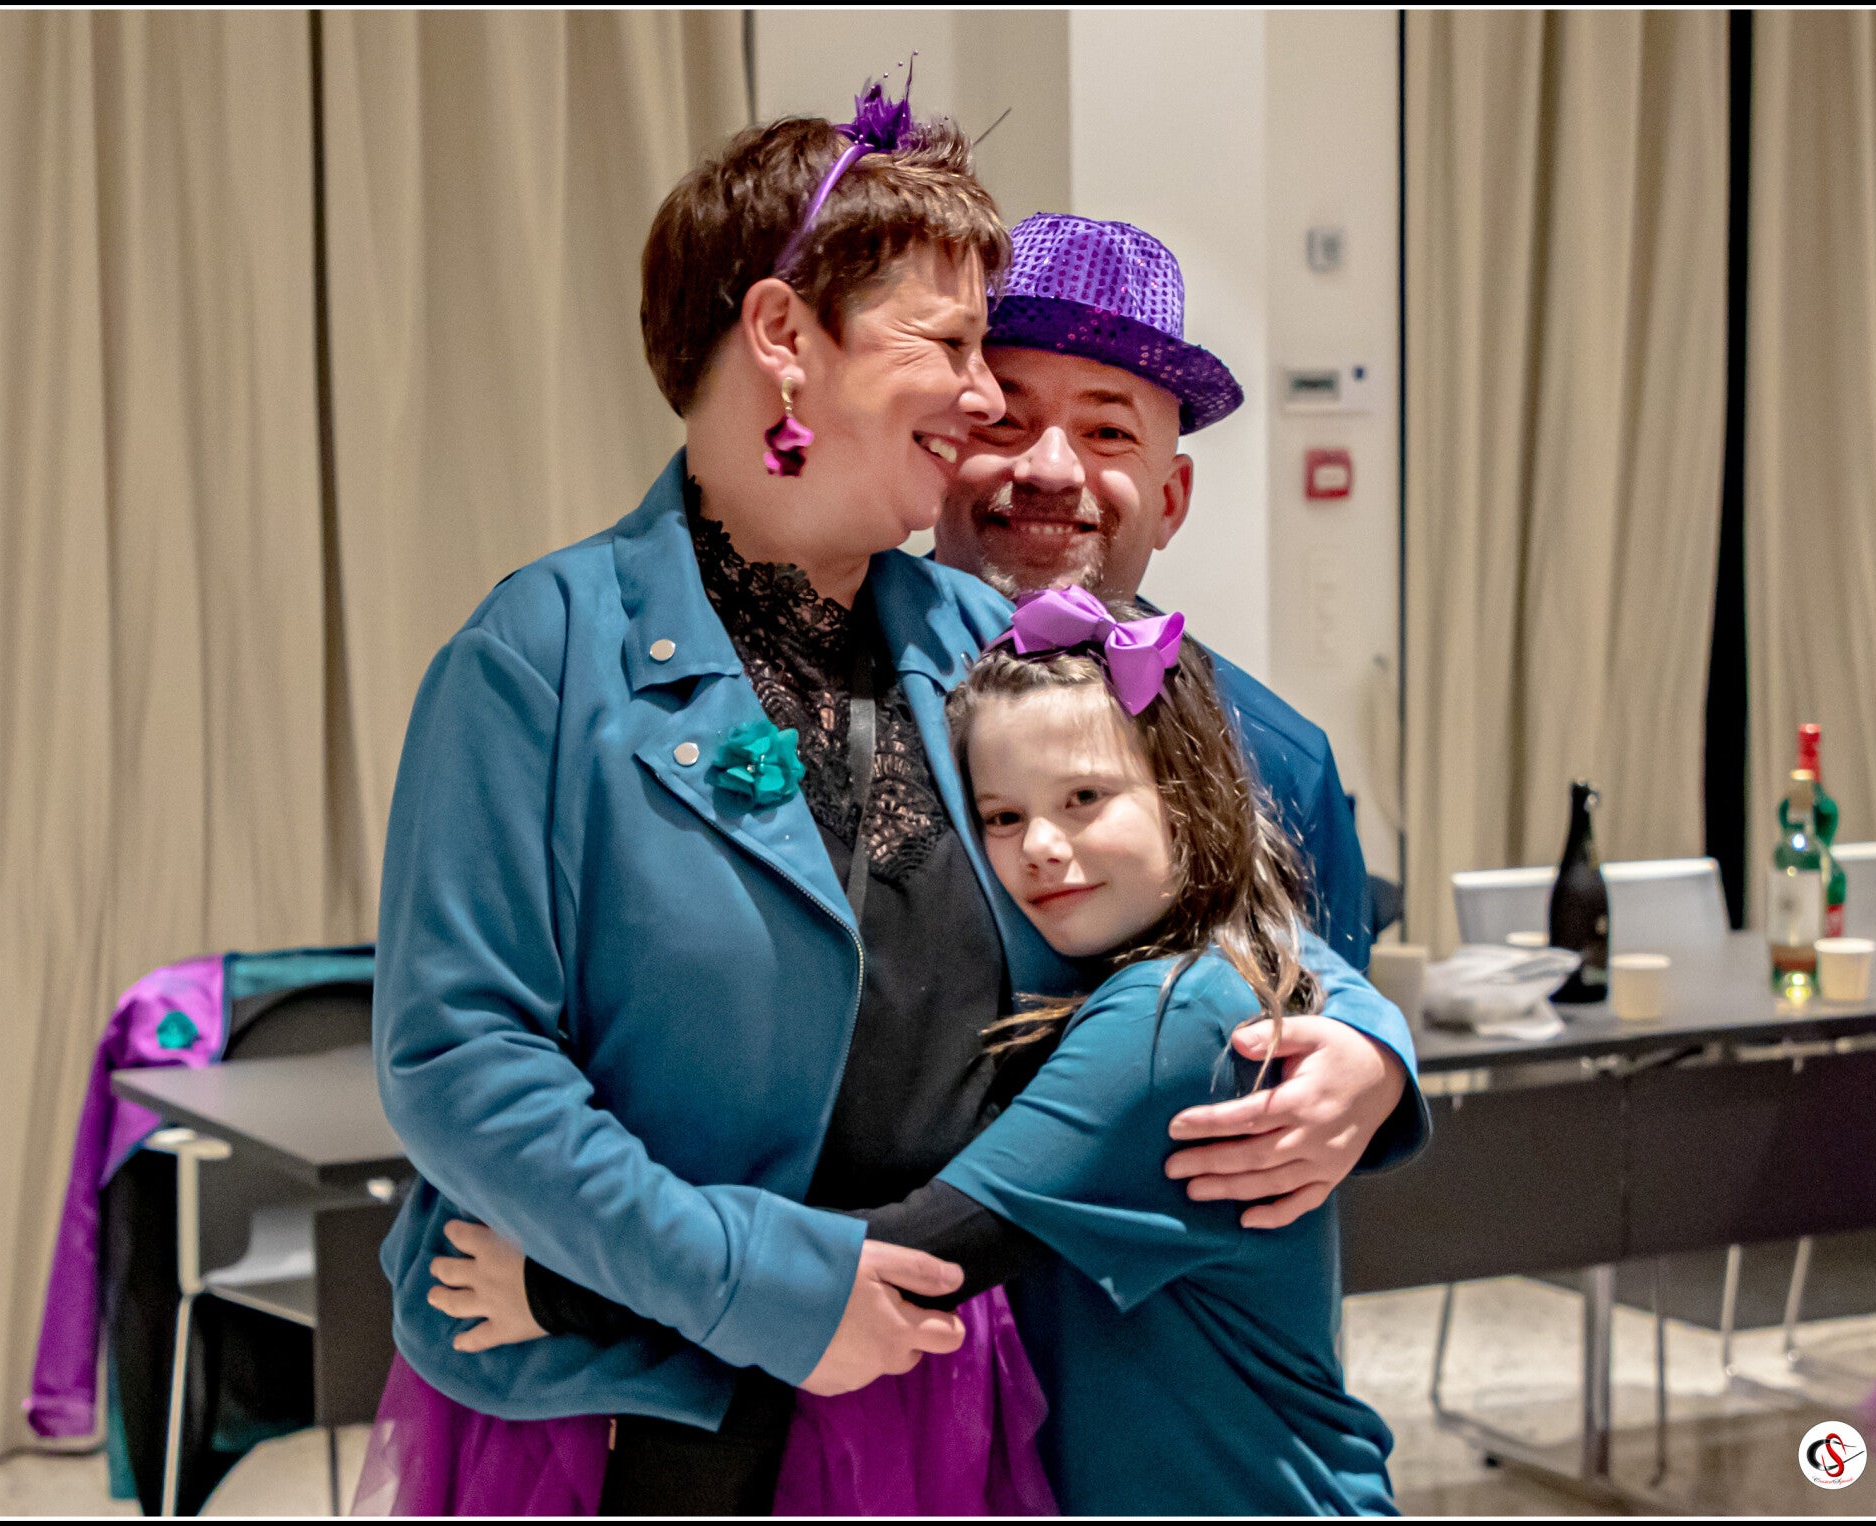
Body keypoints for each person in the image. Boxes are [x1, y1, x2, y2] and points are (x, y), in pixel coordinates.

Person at [362, 83, 1424, 1516]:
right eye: (953, 346)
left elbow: (1197, 887)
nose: (986, 403)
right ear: (782, 337)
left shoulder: (994, 642)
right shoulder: (537, 657)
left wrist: (1361, 1036)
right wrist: (752, 1280)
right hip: (625, 1412)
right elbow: (462, 1062)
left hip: (921, 1404)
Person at [434, 593, 1408, 1514]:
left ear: (1189, 797)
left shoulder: (1173, 1020)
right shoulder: (1154, 976)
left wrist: (570, 1286)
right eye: (1001, 816)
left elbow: (910, 1258)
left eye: (1083, 797)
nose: (1040, 845)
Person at [932, 215, 1416, 1228]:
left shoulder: (1275, 755)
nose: (1051, 467)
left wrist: (1371, 1055)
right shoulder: (836, 693)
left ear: (1172, 496)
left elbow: (1309, 1027)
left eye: (1107, 432)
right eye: (1004, 421)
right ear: (935, 445)